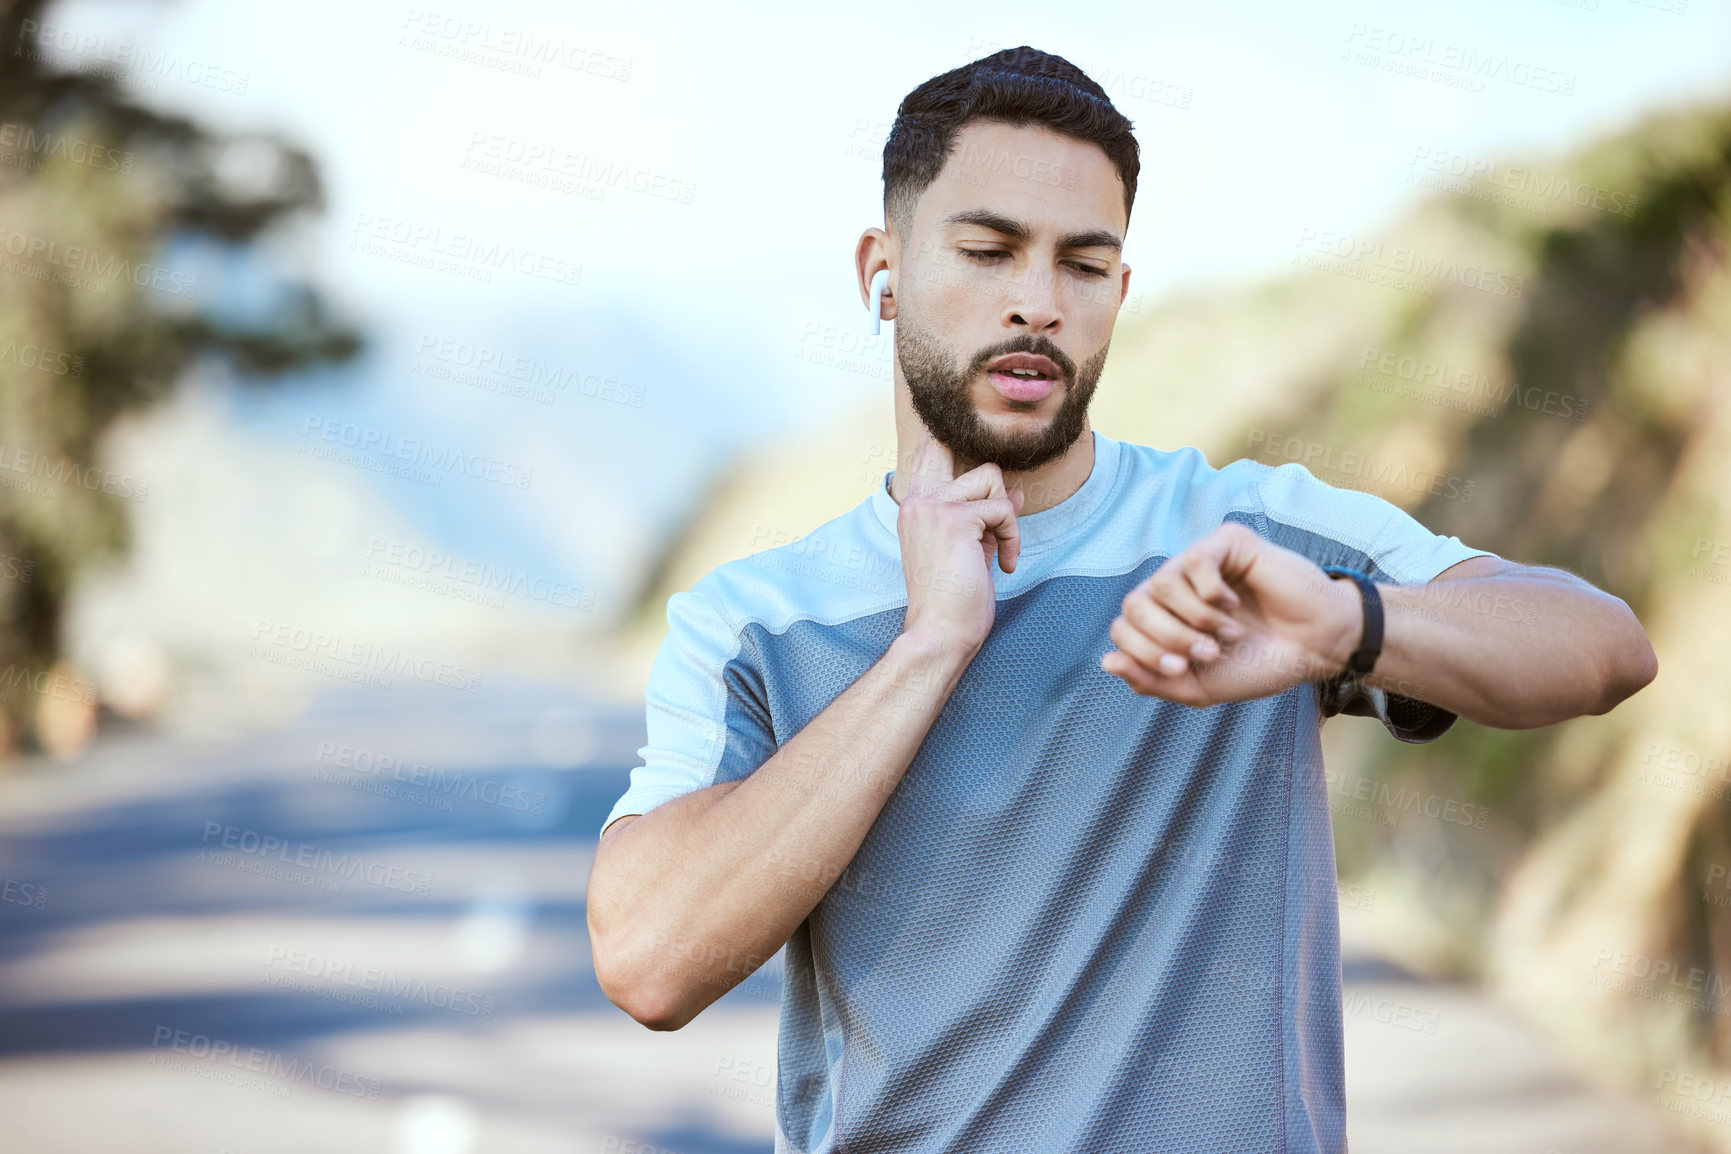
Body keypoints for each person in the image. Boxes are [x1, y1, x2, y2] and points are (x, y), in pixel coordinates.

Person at [584, 45, 1657, 1153]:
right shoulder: (756, 618)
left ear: (1119, 291)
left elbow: (1604, 646)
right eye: (989, 250)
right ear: (883, 269)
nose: (1037, 303)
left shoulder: (1246, 540)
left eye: (1083, 265)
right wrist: (931, 642)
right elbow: (651, 959)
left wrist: (1347, 624)